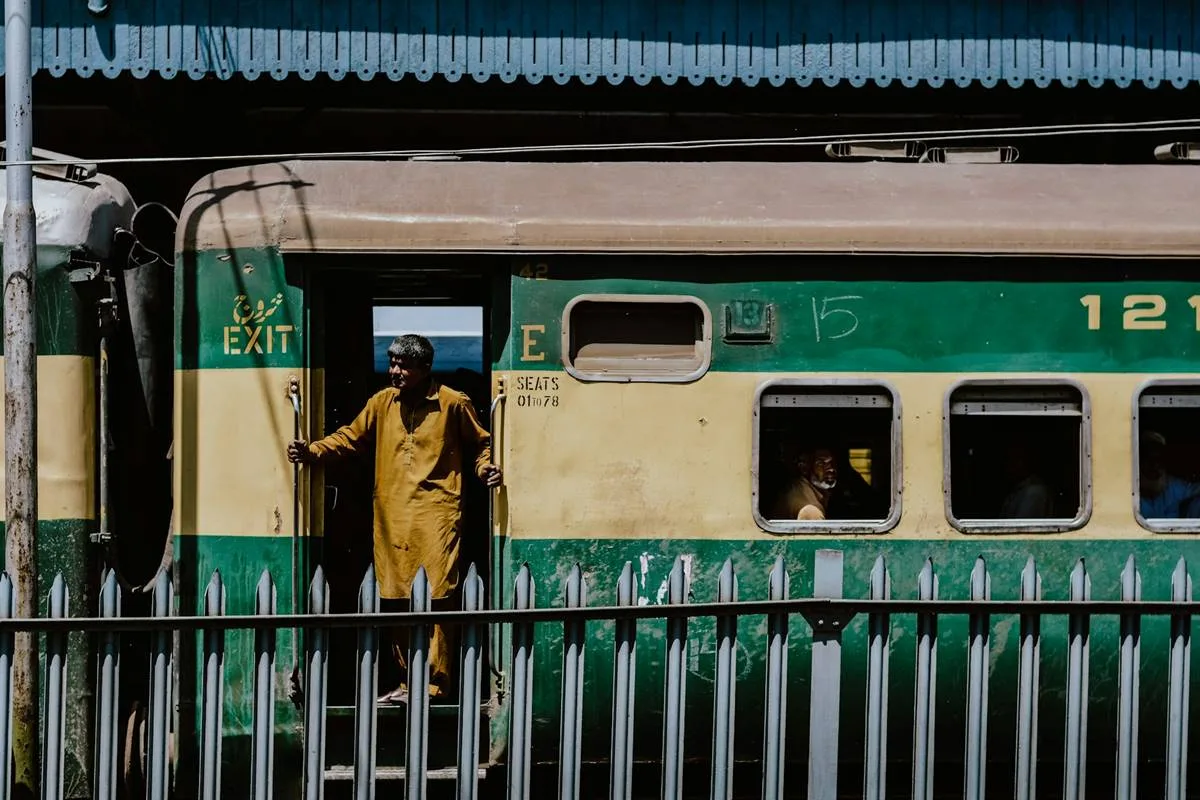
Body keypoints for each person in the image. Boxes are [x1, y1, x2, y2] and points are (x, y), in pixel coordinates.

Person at [287, 333, 502, 704]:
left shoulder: (453, 403)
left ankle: (436, 686)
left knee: (437, 599)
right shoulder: (381, 403)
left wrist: (485, 470)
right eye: (392, 363)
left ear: (425, 368)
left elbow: (481, 443)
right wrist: (312, 451)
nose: (395, 371)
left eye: (404, 365)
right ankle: (408, 682)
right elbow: (349, 438)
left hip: (437, 515)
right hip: (391, 516)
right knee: (396, 598)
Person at [1139, 430, 1200, 519]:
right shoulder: (1128, 493)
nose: (1154, 465)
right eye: (1149, 459)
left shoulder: (1173, 486)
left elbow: (1195, 489)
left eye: (1158, 459)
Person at [772, 446, 838, 520]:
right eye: (821, 464)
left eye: (831, 462)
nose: (831, 469)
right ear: (804, 469)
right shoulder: (810, 510)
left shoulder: (797, 487)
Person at [998, 439, 1054, 519]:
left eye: (1016, 459)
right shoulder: (1018, 489)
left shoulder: (1034, 492)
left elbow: (1020, 527)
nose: (1010, 465)